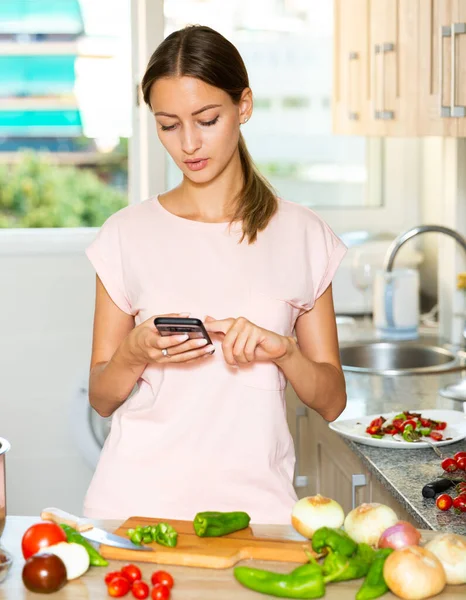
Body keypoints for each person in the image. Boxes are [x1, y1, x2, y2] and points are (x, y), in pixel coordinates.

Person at [84, 24, 347, 524]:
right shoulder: (125, 234)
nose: (188, 143)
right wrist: (134, 351)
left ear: (243, 106)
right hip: (132, 507)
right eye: (168, 124)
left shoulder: (303, 233)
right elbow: (101, 397)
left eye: (207, 119)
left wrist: (284, 351)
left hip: (258, 512)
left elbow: (332, 401)